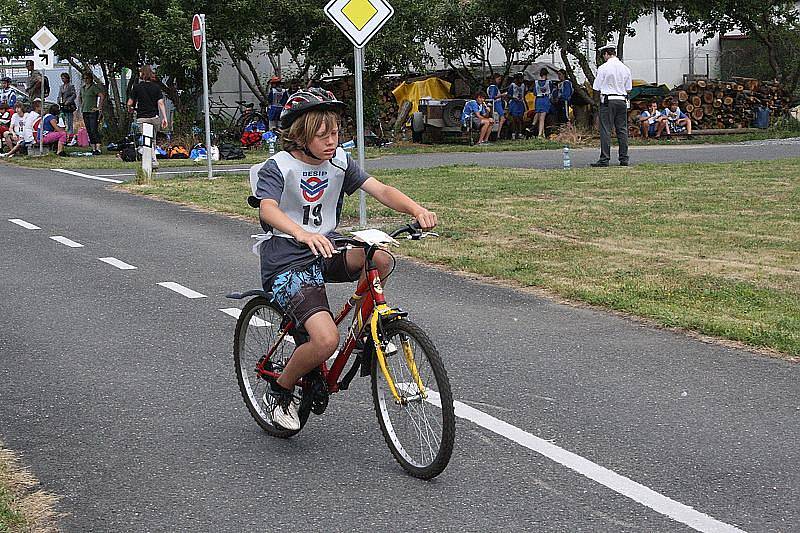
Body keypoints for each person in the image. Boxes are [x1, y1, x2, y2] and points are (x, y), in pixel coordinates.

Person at [251, 88, 437, 430]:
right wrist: (301, 233)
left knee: (380, 260)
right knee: (325, 341)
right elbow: (268, 208)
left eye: (335, 133)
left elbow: (380, 189)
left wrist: (416, 209)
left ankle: (366, 330)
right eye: (322, 136)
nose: (331, 142)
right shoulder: (278, 167)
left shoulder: (338, 163)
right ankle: (280, 390)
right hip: (288, 259)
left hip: (326, 247)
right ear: (299, 137)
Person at [591, 42, 632, 167]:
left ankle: (605, 158)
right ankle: (624, 158)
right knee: (622, 130)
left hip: (608, 100)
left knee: (606, 130)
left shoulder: (603, 68)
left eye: (604, 55)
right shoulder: (625, 68)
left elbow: (596, 87)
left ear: (606, 54)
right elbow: (628, 88)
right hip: (621, 100)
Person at [127, 65, 168, 166]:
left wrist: (130, 109)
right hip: (154, 117)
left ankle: (151, 159)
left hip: (142, 117)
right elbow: (161, 103)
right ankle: (153, 159)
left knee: (146, 140)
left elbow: (129, 103)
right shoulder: (156, 87)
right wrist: (164, 118)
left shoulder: (137, 87)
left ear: (143, 74)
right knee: (152, 140)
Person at [79, 71, 106, 155]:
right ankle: (93, 148)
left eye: (87, 78)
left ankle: (98, 148)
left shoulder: (93, 87)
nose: (86, 80)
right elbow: (80, 97)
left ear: (91, 79)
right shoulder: (82, 88)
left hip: (92, 111)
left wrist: (99, 107)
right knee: (89, 130)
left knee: (94, 129)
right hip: (85, 110)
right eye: (84, 78)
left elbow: (102, 96)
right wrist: (80, 106)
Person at [532, 68, 552, 138]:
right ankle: (540, 134)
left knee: (539, 116)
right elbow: (551, 90)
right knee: (542, 118)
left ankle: (542, 134)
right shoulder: (549, 82)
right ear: (546, 74)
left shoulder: (536, 82)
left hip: (538, 100)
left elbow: (534, 93)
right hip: (545, 99)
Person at [486, 73, 507, 139]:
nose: (499, 81)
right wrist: (502, 95)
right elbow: (492, 97)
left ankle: (497, 134)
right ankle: (498, 134)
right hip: (497, 104)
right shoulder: (493, 87)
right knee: (502, 118)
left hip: (497, 104)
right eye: (499, 79)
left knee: (499, 119)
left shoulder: (491, 87)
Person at [507, 73, 526, 139]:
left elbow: (524, 95)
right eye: (520, 78)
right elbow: (508, 95)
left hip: (520, 103)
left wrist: (525, 105)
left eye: (522, 78)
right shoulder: (512, 85)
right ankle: (513, 134)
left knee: (520, 119)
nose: (522, 80)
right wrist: (514, 98)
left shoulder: (523, 85)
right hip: (514, 103)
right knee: (514, 119)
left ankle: (520, 133)